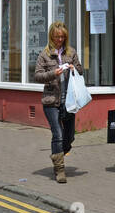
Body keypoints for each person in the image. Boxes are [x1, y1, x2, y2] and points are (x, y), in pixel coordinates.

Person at [33, 21, 85, 183]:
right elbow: (37, 76)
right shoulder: (45, 54)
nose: (60, 40)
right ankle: (60, 170)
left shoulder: (71, 52)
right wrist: (53, 73)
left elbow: (81, 70)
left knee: (69, 138)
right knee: (58, 134)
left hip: (69, 100)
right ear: (51, 37)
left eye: (62, 37)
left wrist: (73, 68)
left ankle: (58, 154)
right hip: (51, 100)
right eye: (57, 37)